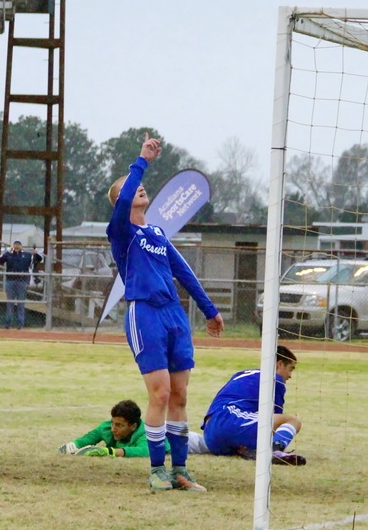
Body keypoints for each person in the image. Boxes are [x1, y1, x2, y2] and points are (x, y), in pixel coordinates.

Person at [105, 132, 224, 492]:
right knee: (159, 394)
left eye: (138, 184)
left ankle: (181, 470)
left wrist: (209, 310)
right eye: (130, 188)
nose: (138, 189)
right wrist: (140, 162)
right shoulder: (121, 231)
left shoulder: (157, 233)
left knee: (180, 396)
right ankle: (157, 470)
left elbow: (183, 271)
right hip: (145, 315)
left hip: (174, 314)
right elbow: (126, 193)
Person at [201, 345, 306, 466]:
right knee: (292, 421)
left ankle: (246, 449)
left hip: (210, 435)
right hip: (230, 422)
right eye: (290, 369)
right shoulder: (274, 379)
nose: (290, 375)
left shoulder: (242, 373)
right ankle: (275, 450)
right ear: (279, 364)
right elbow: (274, 423)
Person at [57, 400, 170, 458]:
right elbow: (89, 438)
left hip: (175, 436)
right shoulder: (107, 428)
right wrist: (73, 444)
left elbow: (146, 451)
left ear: (133, 426)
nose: (113, 429)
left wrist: (110, 452)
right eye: (113, 423)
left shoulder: (146, 432)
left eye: (119, 425)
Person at [0, 240, 42, 330]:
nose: (16, 247)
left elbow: (39, 259)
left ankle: (20, 324)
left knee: (21, 303)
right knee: (10, 303)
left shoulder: (27, 255)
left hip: (22, 281)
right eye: (15, 245)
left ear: (21, 246)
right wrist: (8, 251)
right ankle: (7, 324)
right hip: (10, 281)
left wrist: (36, 253)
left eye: (18, 245)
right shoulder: (9, 254)